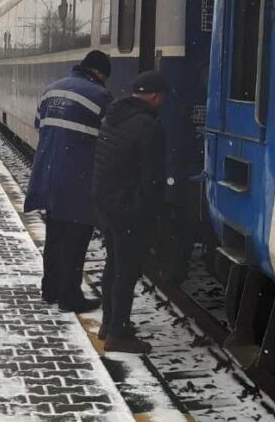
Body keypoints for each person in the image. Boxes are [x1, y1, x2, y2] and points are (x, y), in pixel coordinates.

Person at [25, 50, 113, 313]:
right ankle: (69, 297)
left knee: (55, 236)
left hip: (49, 174)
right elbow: (110, 140)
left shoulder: (51, 90)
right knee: (76, 239)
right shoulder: (100, 97)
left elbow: (39, 124)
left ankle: (50, 289)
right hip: (78, 178)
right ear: (98, 73)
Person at [92, 69, 168, 354]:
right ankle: (117, 333)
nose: (162, 101)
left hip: (108, 205)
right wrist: (152, 212)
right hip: (128, 210)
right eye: (160, 97)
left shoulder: (115, 117)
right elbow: (152, 179)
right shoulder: (149, 126)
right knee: (126, 270)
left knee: (114, 265)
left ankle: (109, 322)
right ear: (153, 96)